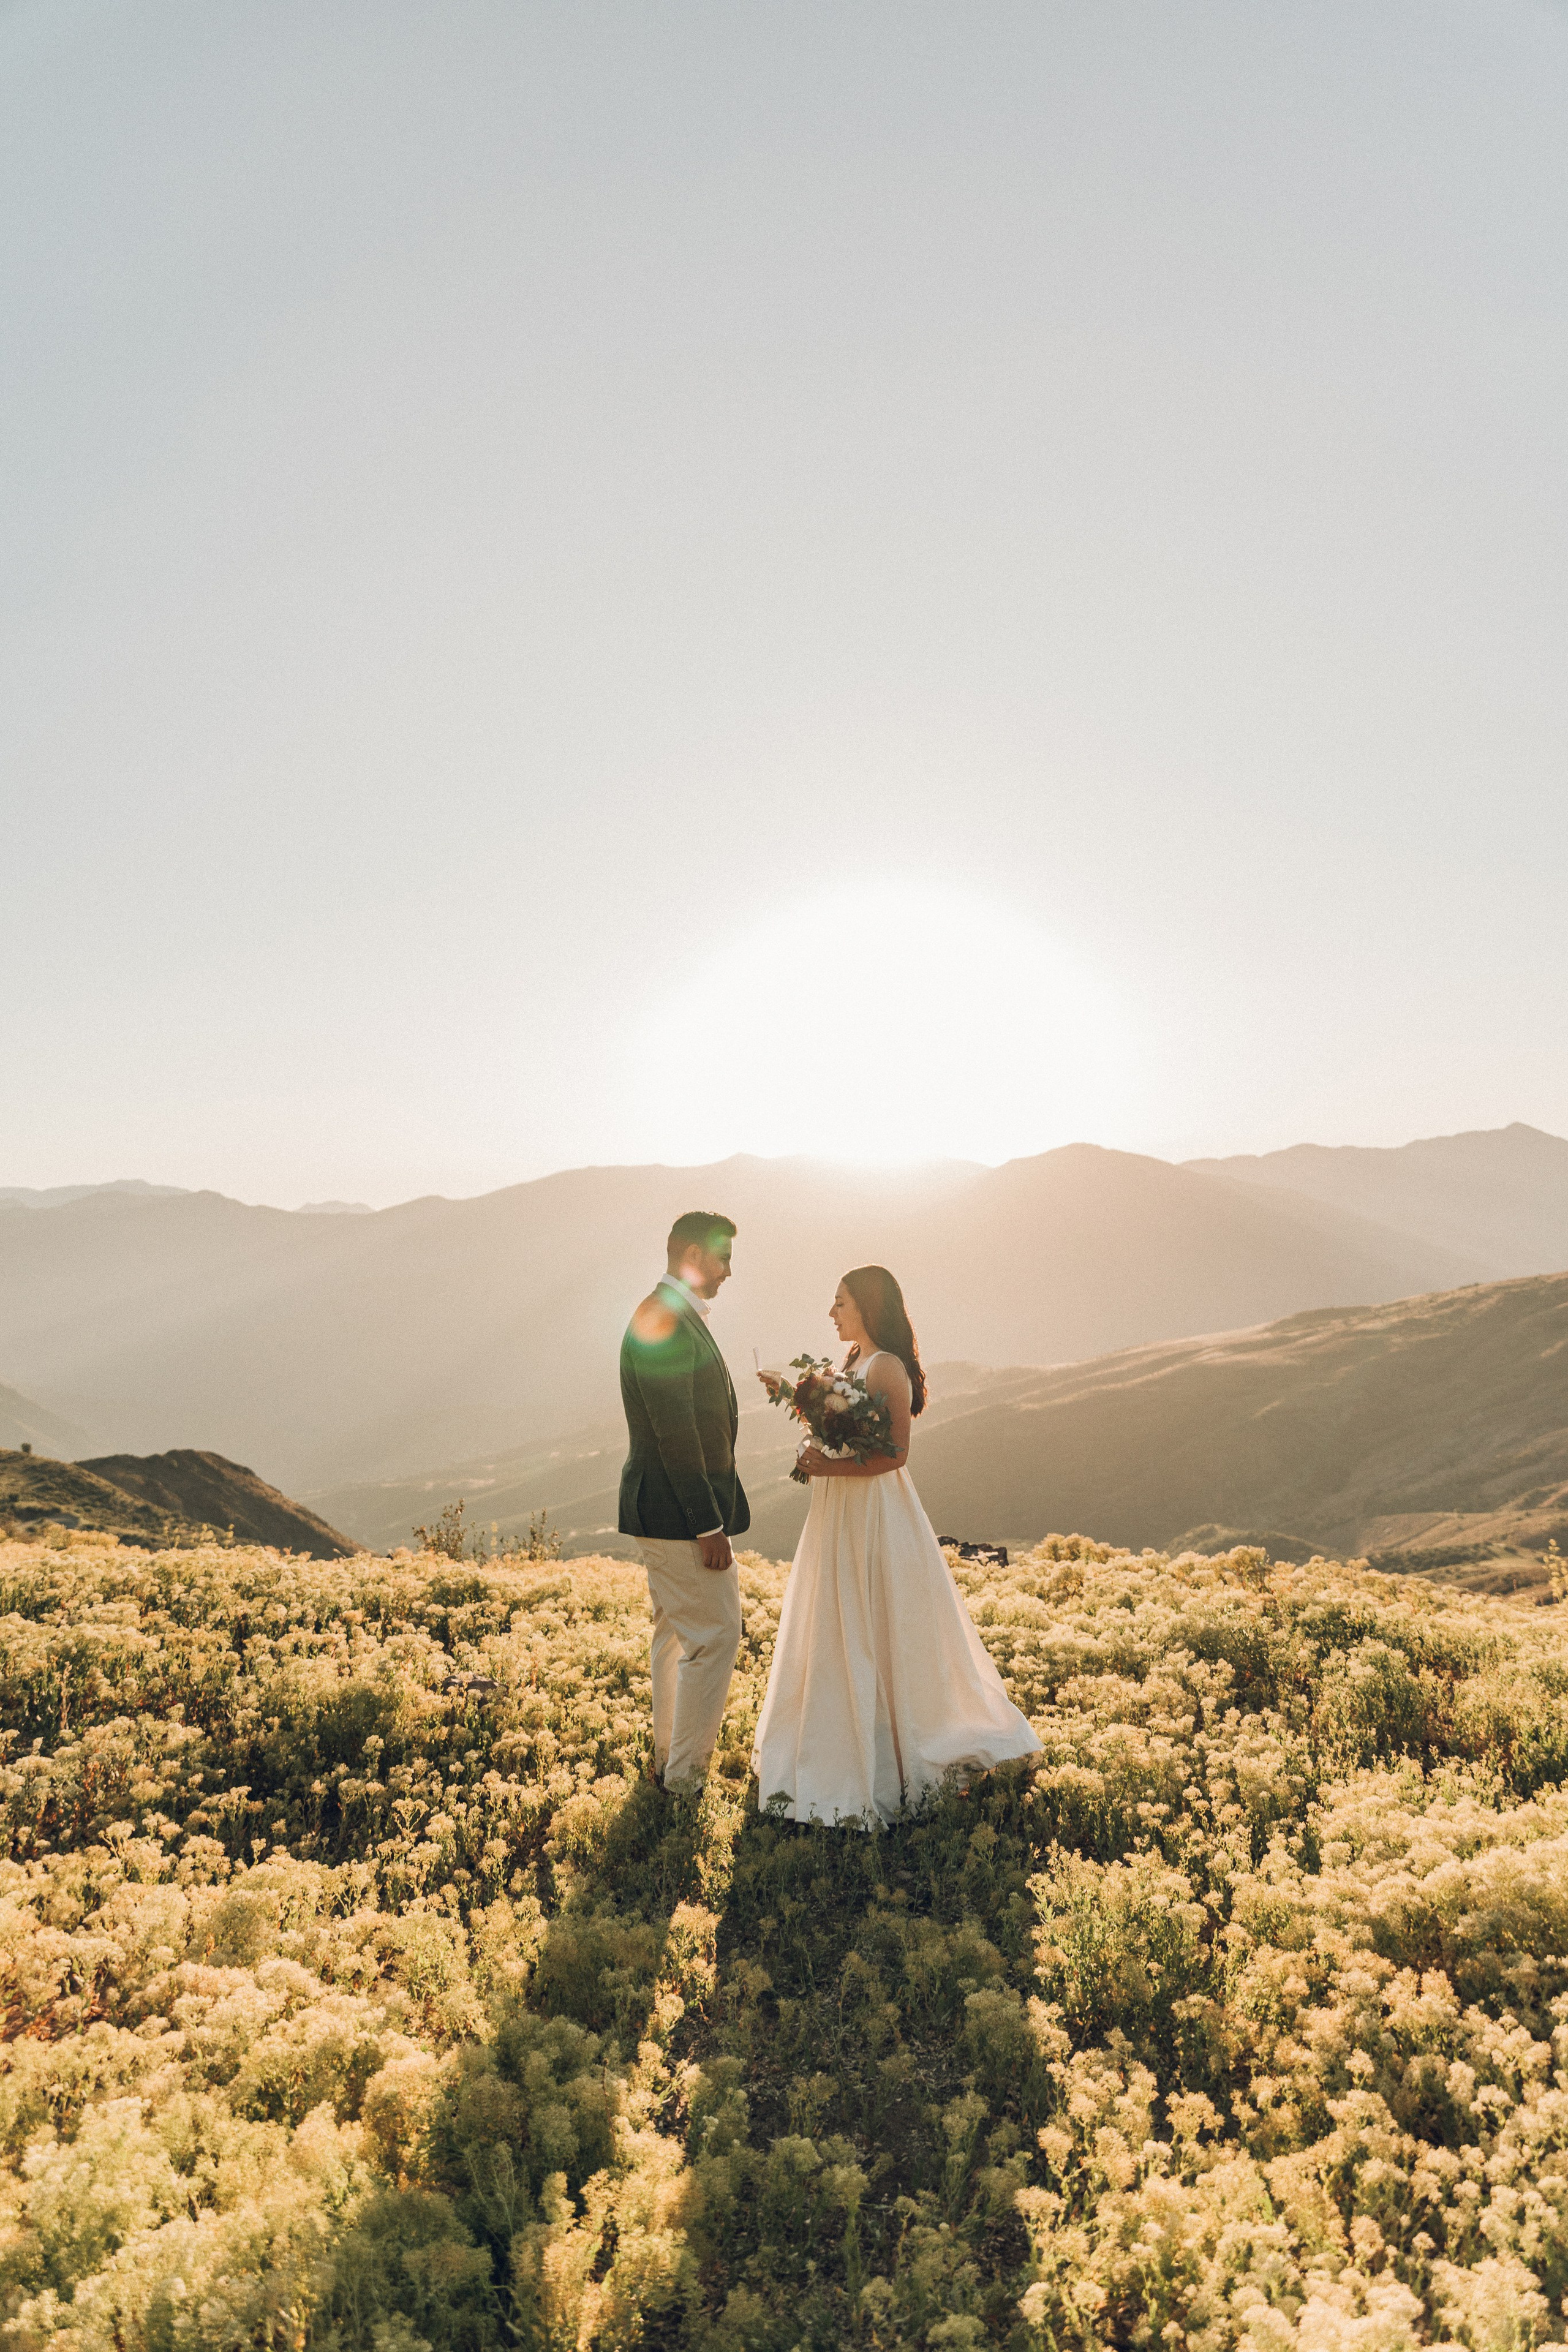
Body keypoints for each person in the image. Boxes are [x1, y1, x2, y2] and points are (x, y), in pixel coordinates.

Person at [752, 1264, 1040, 1825]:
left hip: (875, 1513)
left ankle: (897, 1753)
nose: (831, 1313)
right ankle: (844, 1744)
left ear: (867, 1306)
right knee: (837, 1621)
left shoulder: (887, 1367)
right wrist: (797, 1405)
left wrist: (830, 1469)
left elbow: (896, 1456)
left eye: (839, 1303)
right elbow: (838, 1429)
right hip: (837, 1514)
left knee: (878, 1619)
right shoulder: (848, 1362)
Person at [619, 1210, 749, 1792]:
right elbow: (677, 1433)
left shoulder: (670, 1314)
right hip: (679, 1515)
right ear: (694, 1255)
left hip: (665, 1510)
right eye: (723, 1258)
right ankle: (685, 1782)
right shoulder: (665, 1319)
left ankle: (669, 1763)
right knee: (717, 1635)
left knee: (674, 1635)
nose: (728, 1272)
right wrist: (708, 1525)